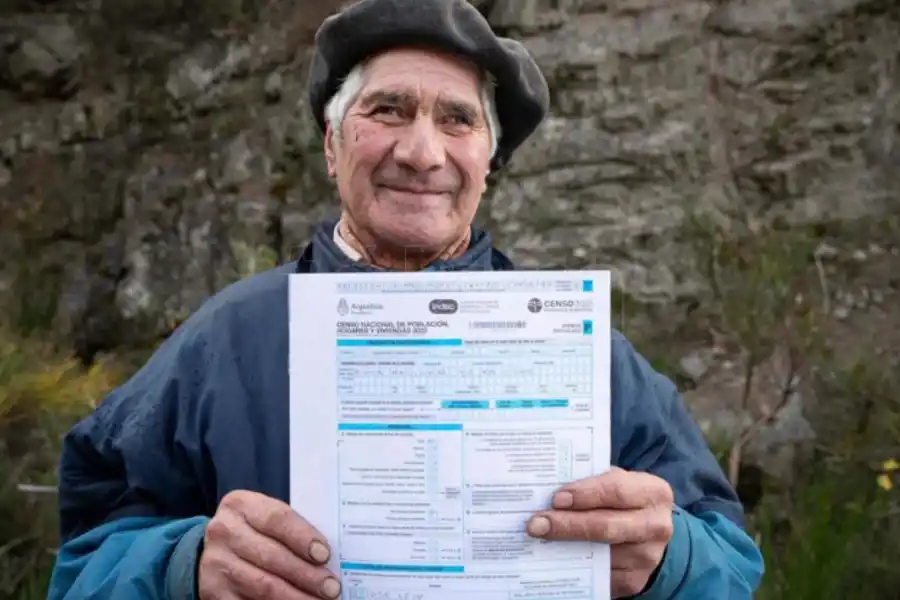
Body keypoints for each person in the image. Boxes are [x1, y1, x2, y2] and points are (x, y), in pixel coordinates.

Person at [46, 0, 765, 598]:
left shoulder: (583, 355)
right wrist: (183, 567)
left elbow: (731, 568)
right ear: (332, 147)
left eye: (457, 121)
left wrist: (670, 564)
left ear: (487, 162)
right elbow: (83, 561)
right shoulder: (224, 341)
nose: (422, 153)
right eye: (387, 110)